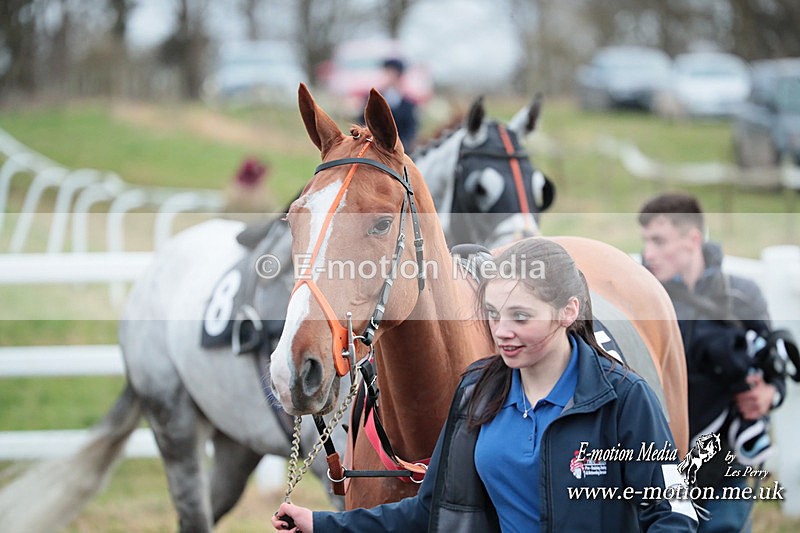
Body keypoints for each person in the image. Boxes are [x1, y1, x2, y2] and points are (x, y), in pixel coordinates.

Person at [272, 238, 698, 532]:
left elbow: (673, 516)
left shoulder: (626, 399)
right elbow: (429, 513)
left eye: (520, 316)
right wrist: (322, 524)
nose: (502, 331)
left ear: (568, 312)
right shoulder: (477, 393)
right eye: (493, 314)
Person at [638, 192, 786, 533]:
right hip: (656, 466)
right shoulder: (642, 297)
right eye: (646, 241)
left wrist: (768, 395)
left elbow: (770, 366)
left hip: (725, 465)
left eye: (659, 242)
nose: (648, 253)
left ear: (692, 239)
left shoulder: (742, 295)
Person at [365, 58, 419, 152]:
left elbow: (411, 129)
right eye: (388, 73)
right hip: (374, 149)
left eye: (393, 74)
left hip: (400, 150)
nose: (390, 78)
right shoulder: (372, 99)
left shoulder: (408, 104)